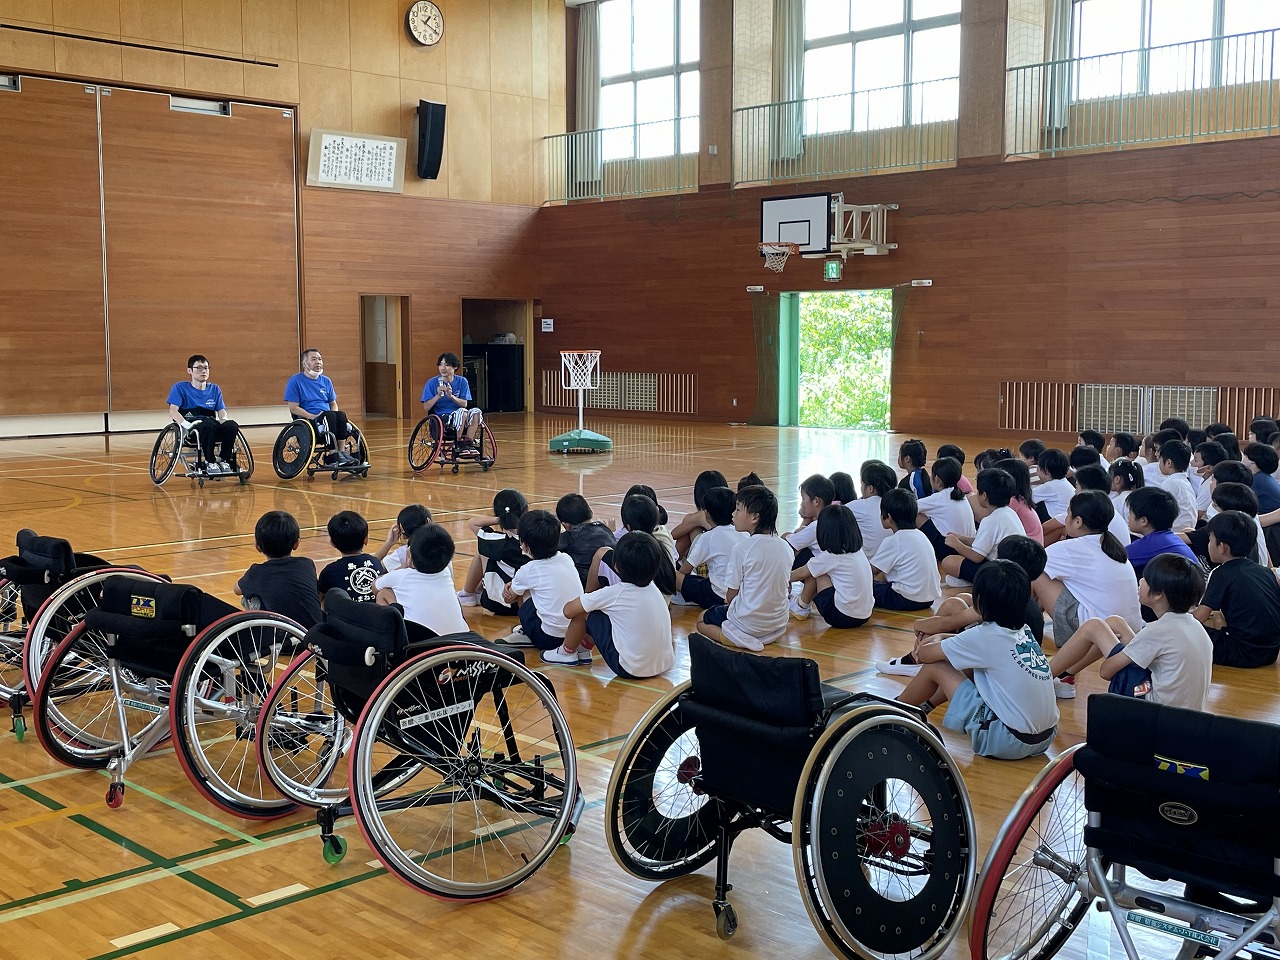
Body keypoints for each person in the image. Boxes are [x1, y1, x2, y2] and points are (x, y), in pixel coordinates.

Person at [895, 560, 1058, 761]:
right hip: (1045, 738)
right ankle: (921, 709)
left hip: (1008, 741)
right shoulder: (1023, 631)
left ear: (980, 602)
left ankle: (894, 711)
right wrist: (944, 639)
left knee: (936, 667)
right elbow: (961, 646)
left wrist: (932, 639)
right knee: (969, 667)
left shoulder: (985, 636)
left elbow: (925, 656)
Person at [1048, 554, 1211, 708]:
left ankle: (1043, 679)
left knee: (1094, 627)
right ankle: (1064, 676)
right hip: (1186, 714)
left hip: (1153, 711)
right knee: (1115, 623)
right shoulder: (1195, 626)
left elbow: (1106, 671)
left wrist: (1114, 652)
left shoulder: (1157, 631)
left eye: (1146, 580)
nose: (1140, 581)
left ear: (1158, 594)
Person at [1032, 491, 1142, 655]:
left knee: (1036, 573)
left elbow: (1028, 568)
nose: (1065, 517)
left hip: (1097, 632)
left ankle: (1025, 627)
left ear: (1077, 521)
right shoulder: (1110, 545)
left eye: (1068, 513)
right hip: (1129, 630)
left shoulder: (1070, 549)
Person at [551, 533, 675, 677]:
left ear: (616, 566)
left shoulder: (615, 593)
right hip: (664, 664)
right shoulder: (654, 589)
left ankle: (566, 652)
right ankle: (583, 649)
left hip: (630, 669)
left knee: (584, 611)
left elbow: (568, 611)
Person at [695, 485, 793, 651]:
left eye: (738, 510)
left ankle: (735, 638)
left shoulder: (742, 549)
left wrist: (739, 611)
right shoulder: (786, 547)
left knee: (701, 620)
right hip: (779, 621)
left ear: (754, 518)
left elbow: (731, 595)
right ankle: (764, 635)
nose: (733, 514)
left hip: (748, 622)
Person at [1193, 511, 1280, 668]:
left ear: (1222, 547)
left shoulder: (1221, 573)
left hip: (1242, 653)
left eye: (1210, 540)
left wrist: (1174, 621)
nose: (1208, 545)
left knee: (1190, 633)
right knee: (1219, 617)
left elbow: (1199, 617)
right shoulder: (1265, 572)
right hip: (1271, 652)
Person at [499, 510, 583, 651]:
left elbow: (509, 599)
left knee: (523, 592)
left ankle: (527, 632)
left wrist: (511, 587)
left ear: (525, 545)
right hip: (576, 633)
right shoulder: (566, 558)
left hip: (548, 638)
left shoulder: (529, 569)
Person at [374, 525, 468, 636]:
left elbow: (374, 586)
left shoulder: (402, 575)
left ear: (410, 557)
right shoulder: (446, 573)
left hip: (422, 646)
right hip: (460, 641)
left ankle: (388, 637)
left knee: (383, 593)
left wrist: (404, 566)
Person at [235, 511, 323, 628]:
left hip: (283, 636)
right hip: (314, 632)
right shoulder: (306, 564)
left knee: (247, 598)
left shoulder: (257, 572)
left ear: (258, 546)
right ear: (296, 543)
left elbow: (236, 590)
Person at [789, 505, 873, 627]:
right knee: (817, 567)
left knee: (816, 570)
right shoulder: (858, 551)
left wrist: (777, 577)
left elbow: (800, 574)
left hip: (840, 616)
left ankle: (801, 606)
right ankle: (802, 605)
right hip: (864, 615)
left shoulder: (832, 556)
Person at [940, 467, 1023, 586]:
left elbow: (976, 556)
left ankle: (977, 581)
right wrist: (961, 538)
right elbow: (985, 542)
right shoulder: (1009, 513)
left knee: (948, 562)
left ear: (984, 495)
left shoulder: (991, 520)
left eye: (978, 491)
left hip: (1001, 573)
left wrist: (956, 544)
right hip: (1012, 570)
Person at [456, 488, 530, 614]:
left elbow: (472, 523)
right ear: (526, 510)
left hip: (495, 603)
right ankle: (476, 591)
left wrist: (501, 518)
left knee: (482, 551)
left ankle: (468, 594)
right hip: (527, 604)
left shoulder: (494, 539)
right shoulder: (533, 539)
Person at [166, 354, 240, 474]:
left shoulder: (215, 389)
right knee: (208, 425)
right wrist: (186, 425)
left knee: (231, 425)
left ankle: (224, 460)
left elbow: (221, 410)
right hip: (192, 427)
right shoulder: (180, 388)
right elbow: (173, 411)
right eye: (199, 368)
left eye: (206, 368)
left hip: (211, 425)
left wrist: (224, 419)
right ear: (189, 371)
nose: (203, 371)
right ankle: (210, 461)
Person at [870, 489, 941, 612]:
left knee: (863, 588)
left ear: (889, 517)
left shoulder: (894, 540)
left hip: (906, 599)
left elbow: (869, 570)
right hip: (928, 599)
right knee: (885, 573)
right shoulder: (920, 535)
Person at [674, 486, 746, 608]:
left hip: (717, 596)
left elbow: (685, 569)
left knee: (673, 576)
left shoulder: (709, 537)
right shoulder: (743, 532)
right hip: (740, 594)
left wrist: (679, 583)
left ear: (707, 513)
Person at [284, 348, 357, 466]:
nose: (318, 362)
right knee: (328, 416)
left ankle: (341, 452)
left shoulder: (326, 381)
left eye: (320, 359)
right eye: (313, 359)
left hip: (327, 418)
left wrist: (334, 414)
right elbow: (293, 408)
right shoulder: (295, 381)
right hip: (309, 419)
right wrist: (312, 416)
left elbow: (333, 403)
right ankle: (333, 454)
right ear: (304, 364)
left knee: (340, 415)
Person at [1123, 486, 1198, 578]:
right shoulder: (1168, 538)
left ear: (1143, 521)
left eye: (1130, 513)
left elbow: (1118, 558)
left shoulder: (1152, 544)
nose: (1128, 517)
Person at [915, 456, 976, 561]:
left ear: (937, 479)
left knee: (917, 515)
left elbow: (911, 506)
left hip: (951, 549)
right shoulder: (959, 494)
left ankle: (921, 548)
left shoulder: (939, 498)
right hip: (968, 545)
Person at [318, 510, 385, 604]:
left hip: (346, 617)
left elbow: (317, 600)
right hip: (377, 616)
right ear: (366, 539)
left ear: (332, 543)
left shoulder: (329, 572)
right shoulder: (375, 562)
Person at [420, 351, 483, 449]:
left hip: (462, 415)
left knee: (476, 412)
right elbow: (426, 407)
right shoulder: (432, 383)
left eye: (447, 365)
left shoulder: (462, 381)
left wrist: (451, 397)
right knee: (462, 413)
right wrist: (438, 395)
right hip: (443, 418)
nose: (443, 368)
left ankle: (467, 442)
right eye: (441, 364)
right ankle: (458, 443)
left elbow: (464, 404)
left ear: (455, 367)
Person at [556, 493, 617, 587]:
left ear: (565, 525)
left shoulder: (570, 536)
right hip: (612, 586)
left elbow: (543, 548)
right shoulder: (605, 529)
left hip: (585, 590)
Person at [784, 474, 836, 569]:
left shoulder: (817, 526)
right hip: (827, 566)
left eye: (803, 499)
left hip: (823, 570)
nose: (801, 503)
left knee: (785, 542)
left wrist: (805, 521)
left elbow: (789, 545)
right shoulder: (830, 519)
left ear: (816, 501)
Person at [375, 504, 432, 572]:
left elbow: (371, 567)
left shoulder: (402, 553)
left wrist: (388, 543)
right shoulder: (442, 546)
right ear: (429, 522)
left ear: (402, 529)